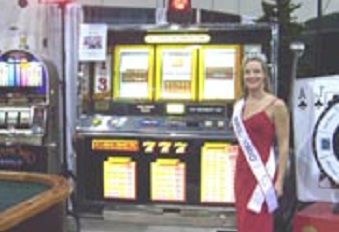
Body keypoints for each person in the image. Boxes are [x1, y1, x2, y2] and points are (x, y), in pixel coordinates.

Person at [231, 53, 290, 232]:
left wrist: (279, 181)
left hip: (263, 175)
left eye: (256, 71)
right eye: (247, 72)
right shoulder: (239, 105)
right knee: (243, 223)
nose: (252, 76)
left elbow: (284, 143)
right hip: (242, 174)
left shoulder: (277, 105)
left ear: (264, 74)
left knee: (259, 223)